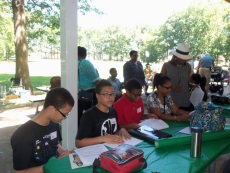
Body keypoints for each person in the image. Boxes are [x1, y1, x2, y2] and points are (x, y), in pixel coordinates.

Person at [11, 87, 75, 173]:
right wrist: (52, 165)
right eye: (64, 114)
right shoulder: (23, 136)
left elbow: (54, 145)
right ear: (52, 109)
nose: (65, 118)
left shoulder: (54, 124)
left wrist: (66, 153)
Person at [75, 79, 131, 148]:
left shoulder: (113, 111)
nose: (110, 97)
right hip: (95, 152)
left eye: (112, 94)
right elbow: (79, 143)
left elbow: (115, 131)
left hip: (112, 148)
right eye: (106, 94)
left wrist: (121, 130)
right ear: (97, 96)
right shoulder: (89, 115)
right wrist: (103, 138)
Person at [161, 43, 192, 111]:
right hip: (170, 100)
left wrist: (193, 85)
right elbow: (160, 81)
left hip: (184, 99)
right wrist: (172, 87)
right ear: (176, 57)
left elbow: (188, 81)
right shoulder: (166, 66)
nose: (185, 60)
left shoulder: (188, 67)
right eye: (183, 58)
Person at [78, 46, 100, 125]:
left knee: (78, 115)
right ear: (85, 54)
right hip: (88, 93)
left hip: (77, 92)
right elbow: (95, 79)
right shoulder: (86, 63)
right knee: (91, 115)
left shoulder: (72, 64)